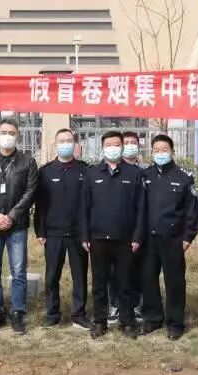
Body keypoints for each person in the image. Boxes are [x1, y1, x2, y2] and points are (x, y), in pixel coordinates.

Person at [79, 131, 146, 339]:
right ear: (102, 147)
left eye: (117, 144)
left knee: (125, 283)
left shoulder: (134, 173)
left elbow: (141, 208)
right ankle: (100, 321)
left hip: (125, 239)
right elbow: (84, 207)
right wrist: (84, 235)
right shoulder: (92, 173)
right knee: (99, 283)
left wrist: (137, 236)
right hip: (98, 238)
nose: (113, 148)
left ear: (122, 147)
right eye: (109, 145)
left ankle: (127, 321)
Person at [0, 119, 38, 335]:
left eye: (11, 132)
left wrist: (11, 216)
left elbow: (30, 192)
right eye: (4, 132)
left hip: (16, 225)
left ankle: (17, 312)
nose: (7, 136)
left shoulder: (28, 162)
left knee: (18, 271)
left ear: (17, 136)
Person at [140, 134, 198, 341]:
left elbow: (192, 211)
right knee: (148, 279)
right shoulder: (144, 176)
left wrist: (187, 237)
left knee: (174, 282)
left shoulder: (184, 177)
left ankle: (175, 323)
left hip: (173, 239)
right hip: (148, 239)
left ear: (172, 151)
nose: (160, 153)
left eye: (164, 149)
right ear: (151, 152)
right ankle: (153, 318)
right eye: (156, 150)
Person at [34, 129, 90, 329]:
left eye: (69, 140)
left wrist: (87, 233)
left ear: (75, 143)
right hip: (53, 233)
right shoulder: (46, 171)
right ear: (55, 144)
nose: (65, 144)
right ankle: (52, 313)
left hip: (78, 234)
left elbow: (89, 204)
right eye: (61, 141)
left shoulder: (85, 170)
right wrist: (40, 231)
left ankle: (79, 314)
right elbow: (40, 204)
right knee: (52, 276)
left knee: (80, 276)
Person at [121, 130, 145, 323]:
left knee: (139, 270)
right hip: (119, 230)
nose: (129, 145)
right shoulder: (113, 169)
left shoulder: (145, 171)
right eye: (126, 142)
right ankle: (116, 306)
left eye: (133, 142)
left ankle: (137, 306)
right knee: (117, 272)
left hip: (140, 229)